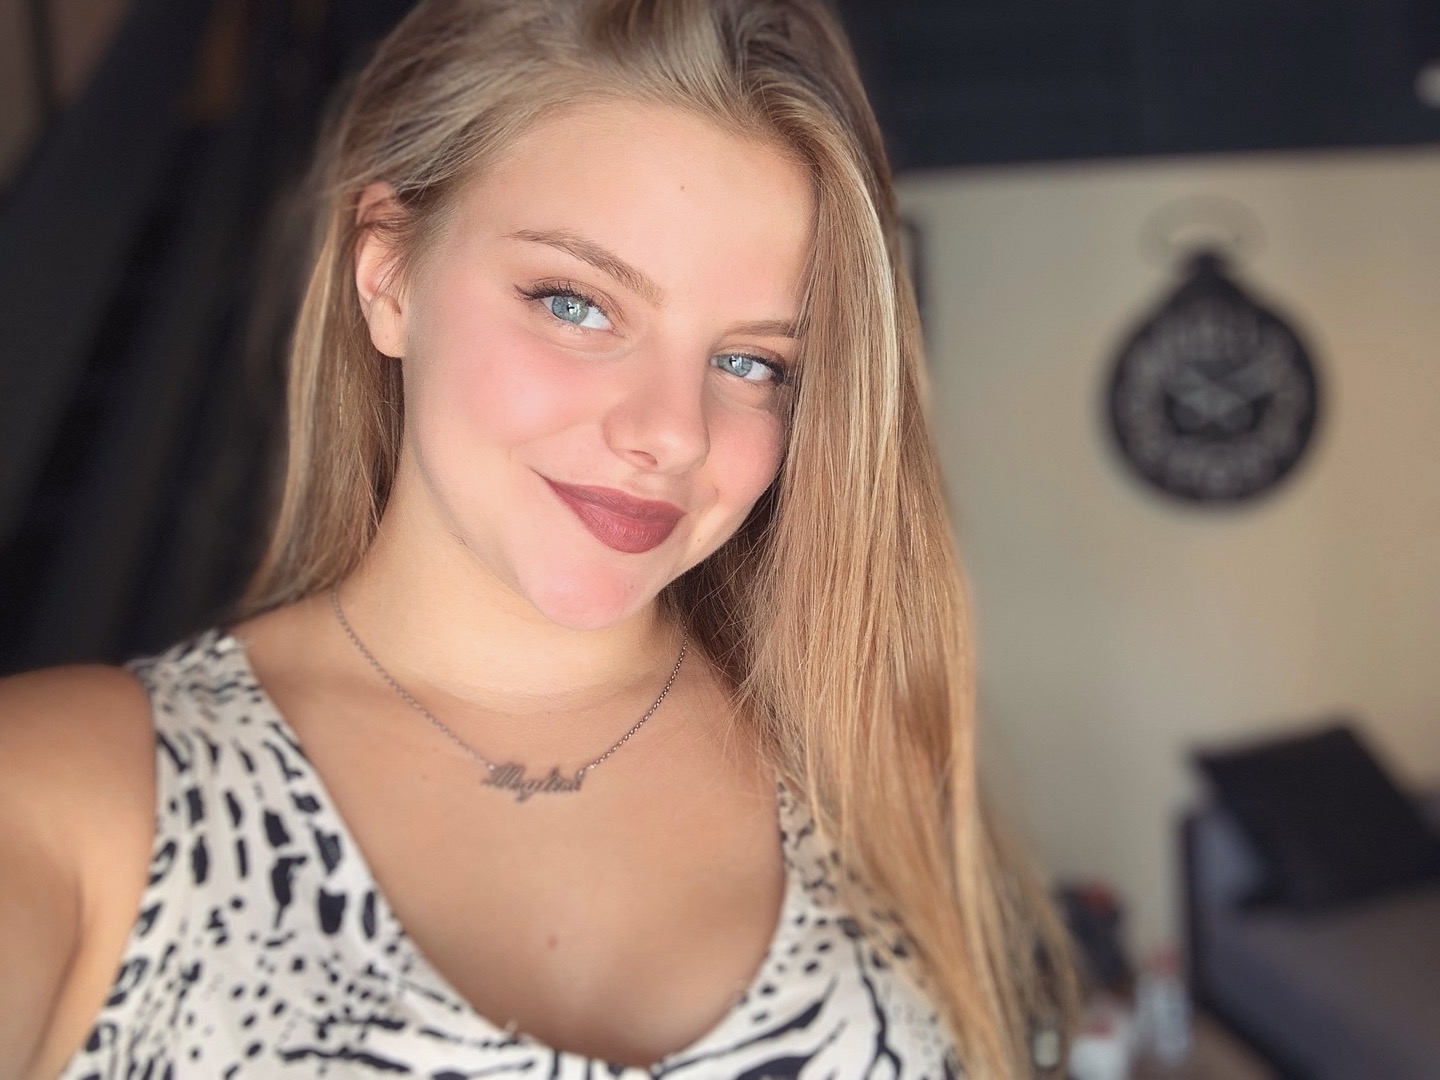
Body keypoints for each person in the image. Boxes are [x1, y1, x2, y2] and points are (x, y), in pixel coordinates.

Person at [0, 0, 1074, 1076]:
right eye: (576, 304)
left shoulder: (858, 769)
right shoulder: (72, 805)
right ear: (387, 272)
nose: (672, 433)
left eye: (753, 363)